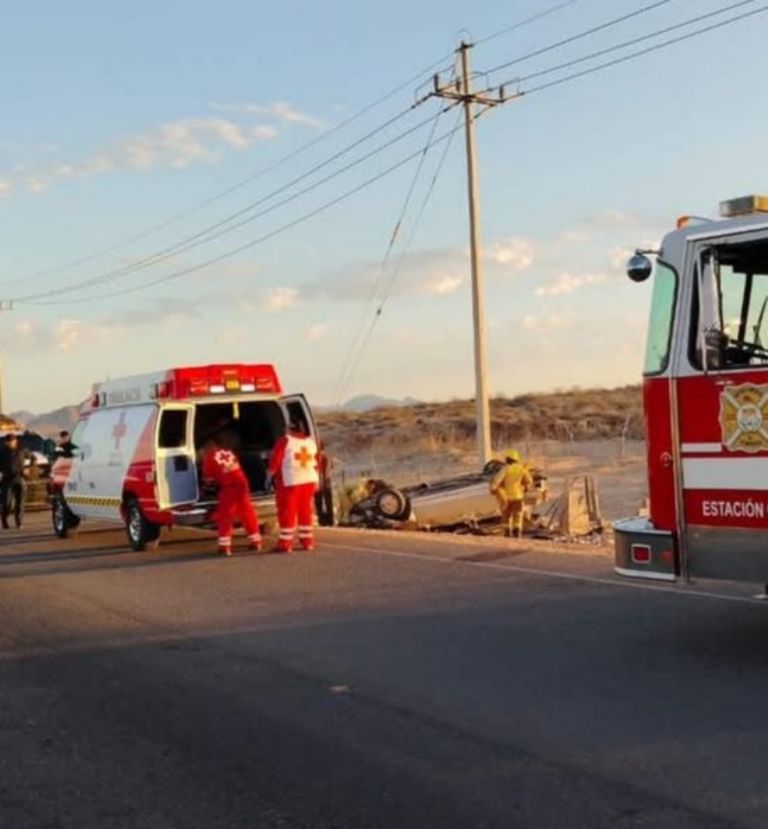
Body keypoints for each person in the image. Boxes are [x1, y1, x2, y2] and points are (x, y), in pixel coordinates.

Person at [201, 433, 262, 556]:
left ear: (209, 446)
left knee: (226, 517)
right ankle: (256, 542)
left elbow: (207, 478)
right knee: (247, 513)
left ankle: (225, 546)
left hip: (229, 488)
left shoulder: (209, 457)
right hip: (242, 485)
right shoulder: (228, 453)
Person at [268, 418, 319, 552]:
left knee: (287, 510)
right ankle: (307, 541)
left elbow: (276, 460)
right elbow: (317, 460)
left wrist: (269, 475)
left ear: (289, 428)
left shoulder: (285, 440)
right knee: (305, 509)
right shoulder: (310, 441)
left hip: (291, 481)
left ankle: (285, 543)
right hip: (309, 479)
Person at [490, 449, 532, 538]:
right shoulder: (521, 469)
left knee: (506, 516)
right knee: (517, 516)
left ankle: (507, 533)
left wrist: (493, 488)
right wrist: (526, 488)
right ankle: (517, 533)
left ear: (508, 459)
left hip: (506, 498)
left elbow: (497, 481)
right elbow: (528, 480)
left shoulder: (505, 469)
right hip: (518, 497)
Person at [0, 433, 28, 529]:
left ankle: (19, 522)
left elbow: (33, 458)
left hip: (19, 479)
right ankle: (4, 520)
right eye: (10, 441)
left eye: (13, 440)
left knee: (20, 503)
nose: (12, 442)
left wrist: (27, 468)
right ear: (6, 442)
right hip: (7, 480)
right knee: (7, 503)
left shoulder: (21, 450)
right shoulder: (2, 452)